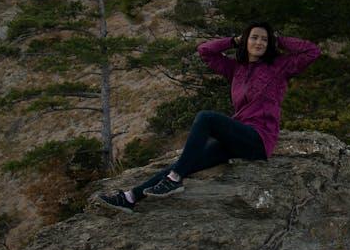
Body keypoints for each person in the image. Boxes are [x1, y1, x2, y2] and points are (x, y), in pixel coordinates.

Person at [99, 22, 320, 212]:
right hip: (237, 137)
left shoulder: (280, 66)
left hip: (258, 139)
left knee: (206, 118)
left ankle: (174, 180)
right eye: (254, 37)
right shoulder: (236, 68)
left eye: (264, 39)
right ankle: (130, 198)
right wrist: (232, 41)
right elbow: (205, 50)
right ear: (246, 41)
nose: (259, 43)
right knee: (186, 162)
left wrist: (279, 40)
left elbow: (312, 51)